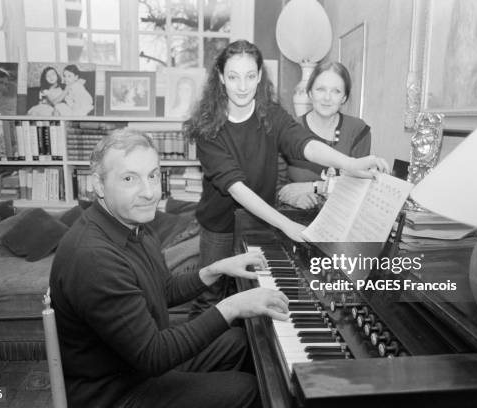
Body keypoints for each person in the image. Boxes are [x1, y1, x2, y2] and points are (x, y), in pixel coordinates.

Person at [49, 127, 289, 408]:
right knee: (246, 389)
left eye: (153, 175)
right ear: (99, 185)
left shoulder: (135, 224)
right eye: (129, 179)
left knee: (239, 340)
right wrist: (232, 306)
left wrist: (216, 269)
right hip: (116, 391)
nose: (149, 192)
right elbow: (154, 355)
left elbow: (162, 288)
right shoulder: (93, 257)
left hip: (136, 364)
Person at [184, 40, 389, 315]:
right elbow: (237, 188)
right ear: (221, 78)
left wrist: (350, 163)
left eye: (249, 76)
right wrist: (286, 225)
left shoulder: (271, 114)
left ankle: (236, 356)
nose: (242, 86)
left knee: (252, 299)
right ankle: (199, 355)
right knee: (211, 298)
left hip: (258, 223)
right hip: (219, 228)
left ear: (259, 76)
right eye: (233, 77)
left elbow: (303, 143)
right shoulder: (208, 128)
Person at [278, 61, 371, 209]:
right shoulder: (289, 129)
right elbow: (276, 187)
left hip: (341, 219)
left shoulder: (358, 130)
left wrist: (316, 186)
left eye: (336, 91)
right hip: (296, 219)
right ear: (309, 93)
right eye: (321, 89)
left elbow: (359, 185)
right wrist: (294, 199)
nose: (327, 98)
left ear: (344, 97)